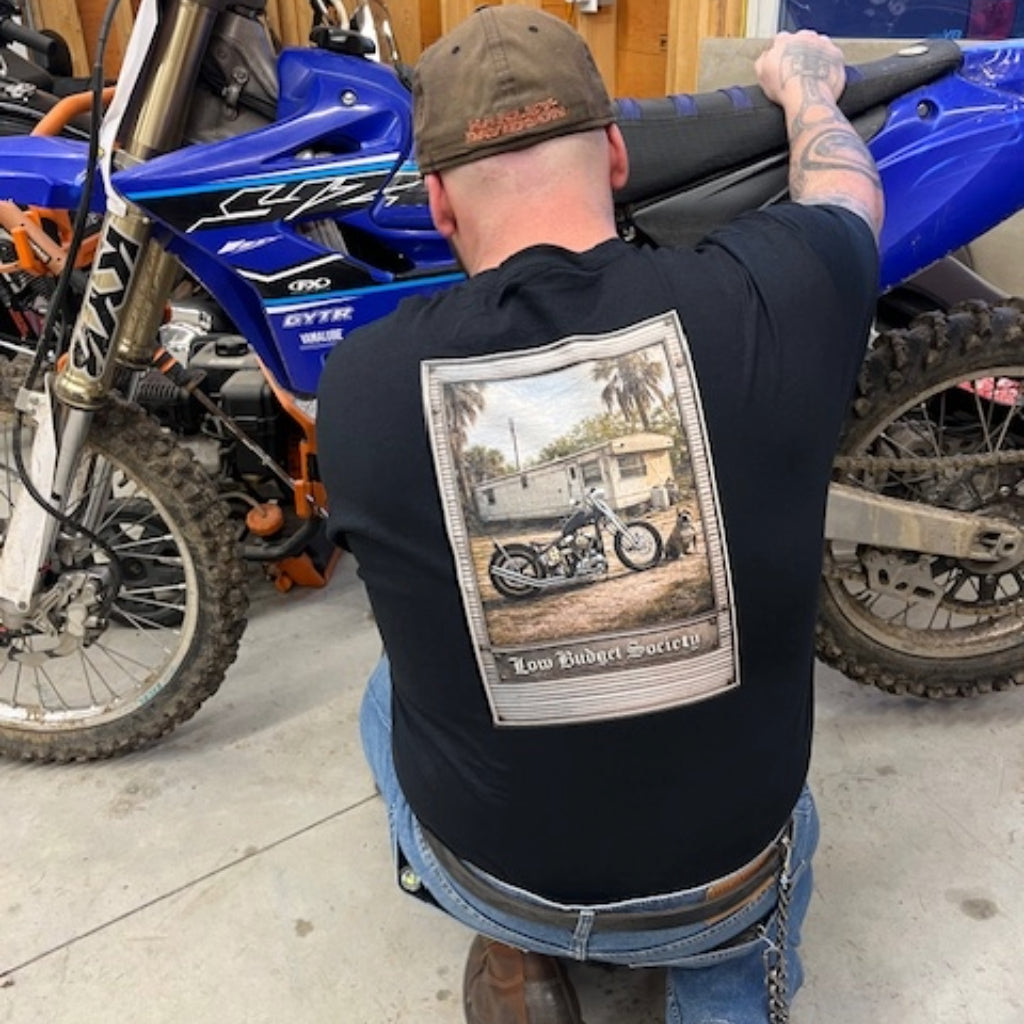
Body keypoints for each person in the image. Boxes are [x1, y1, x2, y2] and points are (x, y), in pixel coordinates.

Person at [318, 6, 883, 1023]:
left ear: (439, 203)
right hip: (720, 887)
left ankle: (516, 948)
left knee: (379, 690)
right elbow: (845, 190)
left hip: (493, 869)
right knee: (762, 862)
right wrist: (805, 89)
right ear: (616, 153)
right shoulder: (782, 294)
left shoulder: (359, 388)